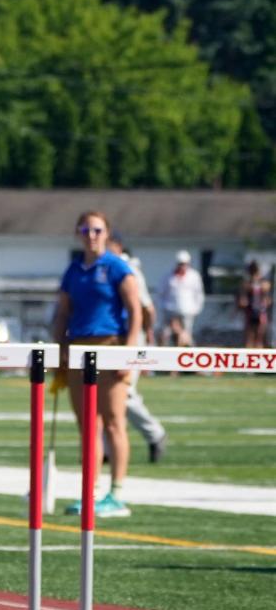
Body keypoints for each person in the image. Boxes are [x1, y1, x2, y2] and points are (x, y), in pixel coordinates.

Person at [49, 212, 142, 518]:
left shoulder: (118, 267)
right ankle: (91, 492)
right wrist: (60, 349)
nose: (91, 235)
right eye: (86, 229)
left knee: (114, 420)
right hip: (78, 347)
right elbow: (63, 312)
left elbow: (135, 311)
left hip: (111, 345)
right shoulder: (73, 270)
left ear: (107, 232)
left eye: (97, 229)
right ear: (78, 233)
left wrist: (129, 353)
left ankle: (117, 493)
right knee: (88, 425)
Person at [104, 237, 167, 463]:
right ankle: (104, 450)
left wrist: (148, 332)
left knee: (124, 392)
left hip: (131, 336)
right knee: (103, 393)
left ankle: (154, 433)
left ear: (118, 246)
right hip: (108, 338)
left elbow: (146, 307)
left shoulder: (127, 269)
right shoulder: (99, 266)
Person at [158, 250, 204, 347]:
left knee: (185, 336)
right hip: (170, 312)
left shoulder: (194, 276)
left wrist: (195, 309)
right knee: (165, 334)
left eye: (184, 264)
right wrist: (164, 307)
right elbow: (161, 293)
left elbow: (199, 294)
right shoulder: (168, 276)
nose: (182, 266)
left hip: (187, 312)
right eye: (180, 264)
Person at [237, 260, 271, 349]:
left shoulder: (263, 283)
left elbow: (266, 291)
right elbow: (243, 300)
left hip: (261, 312)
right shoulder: (247, 284)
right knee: (250, 336)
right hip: (250, 311)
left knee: (260, 336)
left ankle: (259, 354)